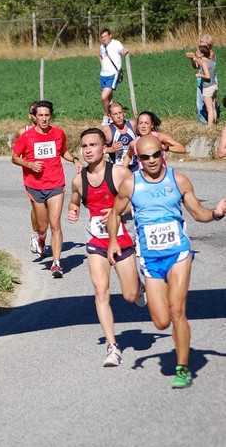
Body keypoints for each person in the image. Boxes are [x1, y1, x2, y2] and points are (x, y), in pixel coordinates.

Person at [107, 135, 226, 389]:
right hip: (150, 259)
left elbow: (197, 213)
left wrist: (215, 214)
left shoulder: (178, 179)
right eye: (144, 157)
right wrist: (113, 241)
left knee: (176, 310)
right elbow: (114, 213)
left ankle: (182, 367)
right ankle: (144, 289)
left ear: (163, 153)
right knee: (161, 321)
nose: (151, 160)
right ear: (138, 159)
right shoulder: (131, 184)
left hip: (178, 253)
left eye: (155, 155)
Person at [68, 128, 145, 366]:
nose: (88, 150)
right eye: (84, 146)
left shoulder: (120, 173)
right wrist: (73, 209)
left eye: (93, 145)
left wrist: (116, 211)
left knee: (130, 296)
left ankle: (139, 288)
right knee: (101, 291)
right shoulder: (78, 179)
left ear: (104, 148)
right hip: (96, 240)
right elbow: (74, 199)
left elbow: (139, 203)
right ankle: (113, 347)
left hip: (121, 238)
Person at [12, 100, 83, 278]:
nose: (44, 119)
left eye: (47, 115)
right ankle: (40, 237)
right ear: (34, 117)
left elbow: (63, 151)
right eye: (40, 115)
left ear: (51, 116)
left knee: (55, 223)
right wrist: (29, 164)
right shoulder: (27, 136)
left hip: (56, 184)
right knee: (42, 225)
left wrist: (74, 159)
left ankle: (56, 264)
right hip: (35, 185)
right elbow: (14, 157)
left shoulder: (58, 133)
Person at [13, 101, 41, 254]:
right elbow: (15, 150)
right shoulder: (22, 132)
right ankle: (35, 235)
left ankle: (41, 236)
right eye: (33, 112)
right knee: (36, 206)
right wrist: (28, 163)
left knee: (48, 211)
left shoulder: (49, 131)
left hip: (49, 174)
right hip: (31, 174)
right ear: (30, 115)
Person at [99, 28, 128, 126]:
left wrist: (125, 51)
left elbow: (122, 50)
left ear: (110, 36)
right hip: (103, 74)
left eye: (105, 36)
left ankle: (106, 116)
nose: (103, 39)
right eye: (102, 37)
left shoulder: (116, 43)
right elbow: (100, 56)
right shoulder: (102, 47)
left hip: (113, 74)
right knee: (109, 98)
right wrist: (102, 64)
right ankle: (113, 116)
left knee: (104, 97)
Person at [186, 34, 217, 125]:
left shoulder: (210, 53)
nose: (199, 43)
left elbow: (204, 63)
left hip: (209, 81)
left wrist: (195, 57)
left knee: (210, 104)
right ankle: (205, 121)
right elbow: (196, 66)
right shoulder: (200, 53)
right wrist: (192, 59)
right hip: (202, 81)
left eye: (202, 42)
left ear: (208, 44)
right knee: (201, 102)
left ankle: (209, 123)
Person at [101, 102, 137, 169]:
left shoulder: (133, 124)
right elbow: (97, 149)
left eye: (120, 113)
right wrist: (110, 149)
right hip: (116, 169)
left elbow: (144, 139)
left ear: (124, 113)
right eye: (115, 114)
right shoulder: (106, 130)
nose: (118, 116)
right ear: (110, 116)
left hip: (135, 167)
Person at [193, 45, 218, 127]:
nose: (196, 52)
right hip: (214, 86)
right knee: (213, 107)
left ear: (202, 54)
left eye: (197, 52)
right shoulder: (211, 62)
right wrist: (194, 58)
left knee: (209, 109)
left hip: (208, 87)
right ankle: (215, 123)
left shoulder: (204, 63)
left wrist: (199, 75)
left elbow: (207, 76)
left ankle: (209, 127)